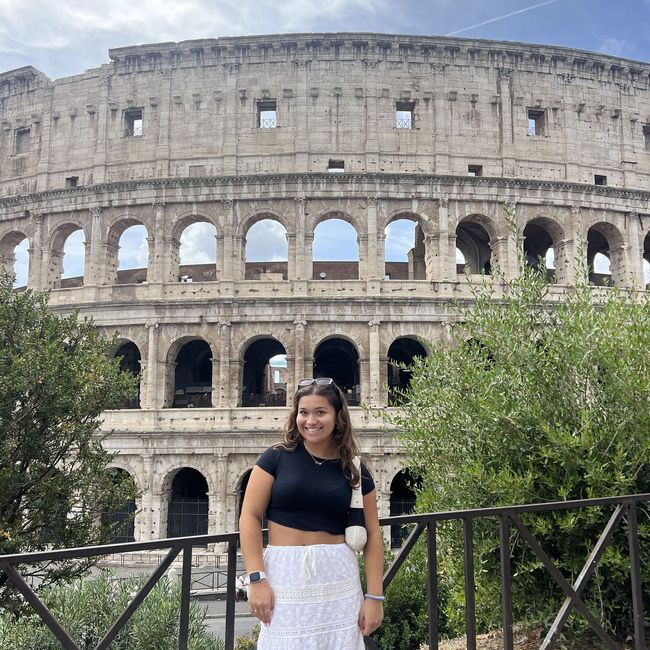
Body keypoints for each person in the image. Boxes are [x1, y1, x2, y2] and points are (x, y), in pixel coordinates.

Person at [239, 377, 384, 649]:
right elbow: (249, 516)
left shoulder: (353, 468)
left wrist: (375, 597)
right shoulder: (275, 457)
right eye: (303, 412)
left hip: (337, 576)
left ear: (337, 417)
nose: (311, 421)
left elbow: (374, 533)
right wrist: (256, 578)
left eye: (320, 412)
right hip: (284, 574)